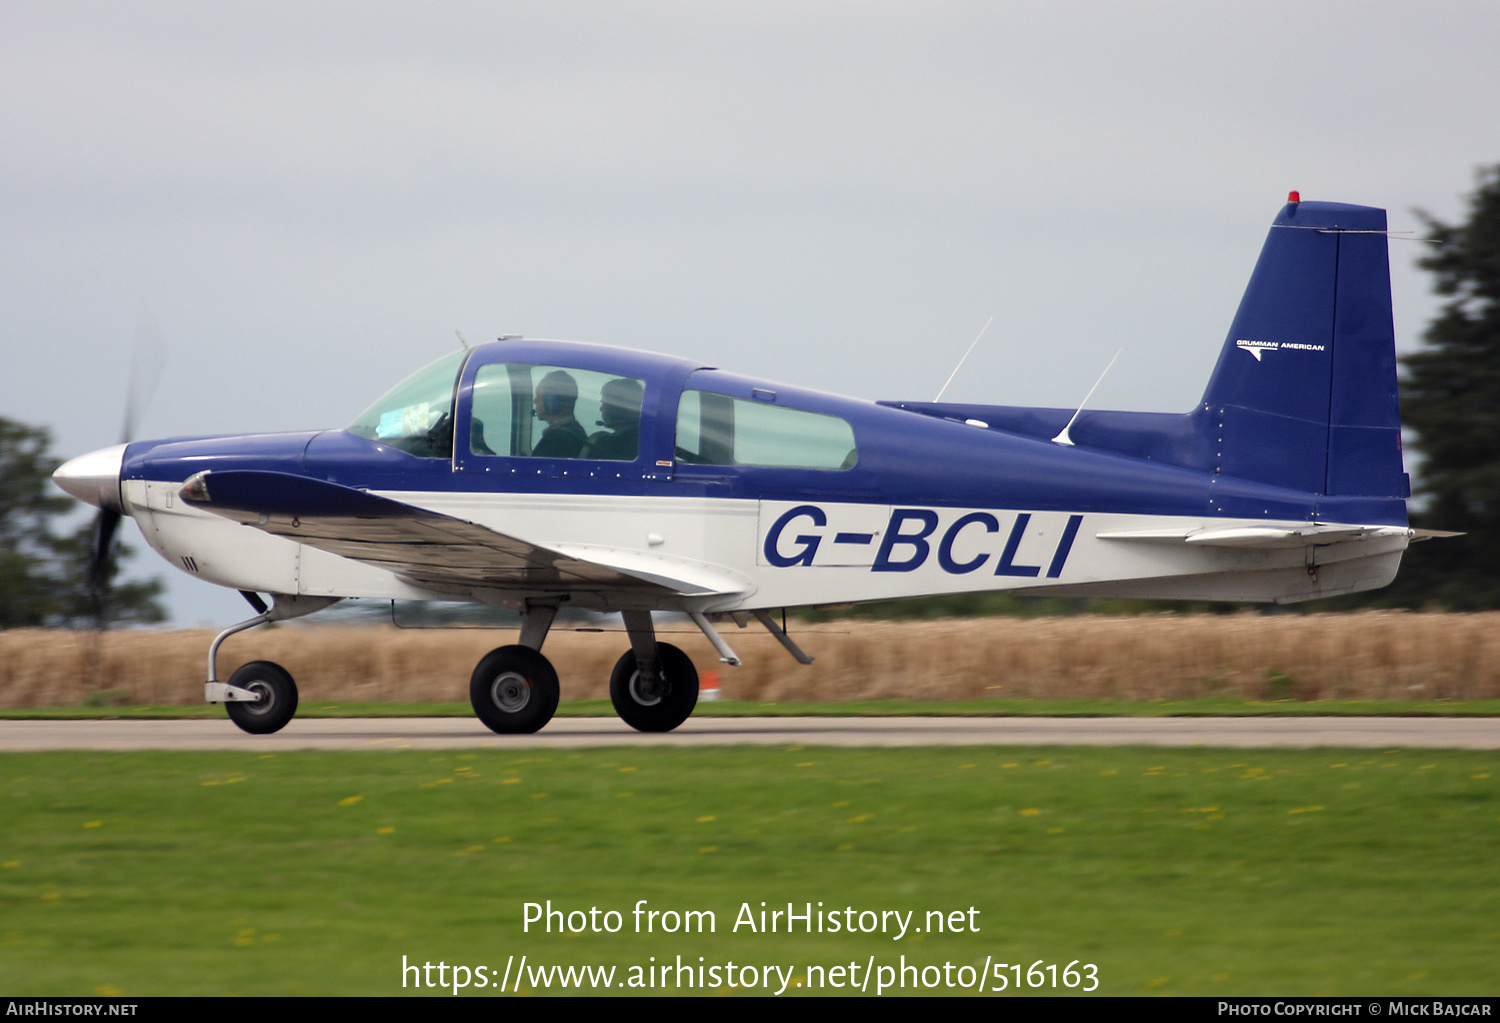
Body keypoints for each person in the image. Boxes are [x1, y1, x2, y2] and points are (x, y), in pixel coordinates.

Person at [582, 377, 644, 461]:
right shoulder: (643, 440)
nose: (601, 409)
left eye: (605, 403)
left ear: (618, 406)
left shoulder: (609, 445)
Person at [530, 370, 586, 458]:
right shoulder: (575, 433)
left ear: (552, 400)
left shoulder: (556, 441)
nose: (535, 400)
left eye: (538, 395)